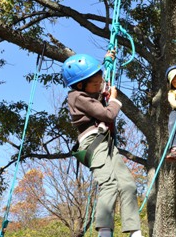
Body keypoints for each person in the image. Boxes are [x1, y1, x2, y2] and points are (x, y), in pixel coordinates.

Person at [62, 53, 144, 237]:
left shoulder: (89, 91)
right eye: (95, 83)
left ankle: (135, 231)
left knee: (128, 185)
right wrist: (114, 99)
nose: (100, 85)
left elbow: (101, 82)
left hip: (106, 143)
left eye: (100, 82)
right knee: (109, 183)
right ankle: (105, 232)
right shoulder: (76, 97)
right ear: (80, 84)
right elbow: (107, 114)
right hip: (93, 142)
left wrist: (108, 60)